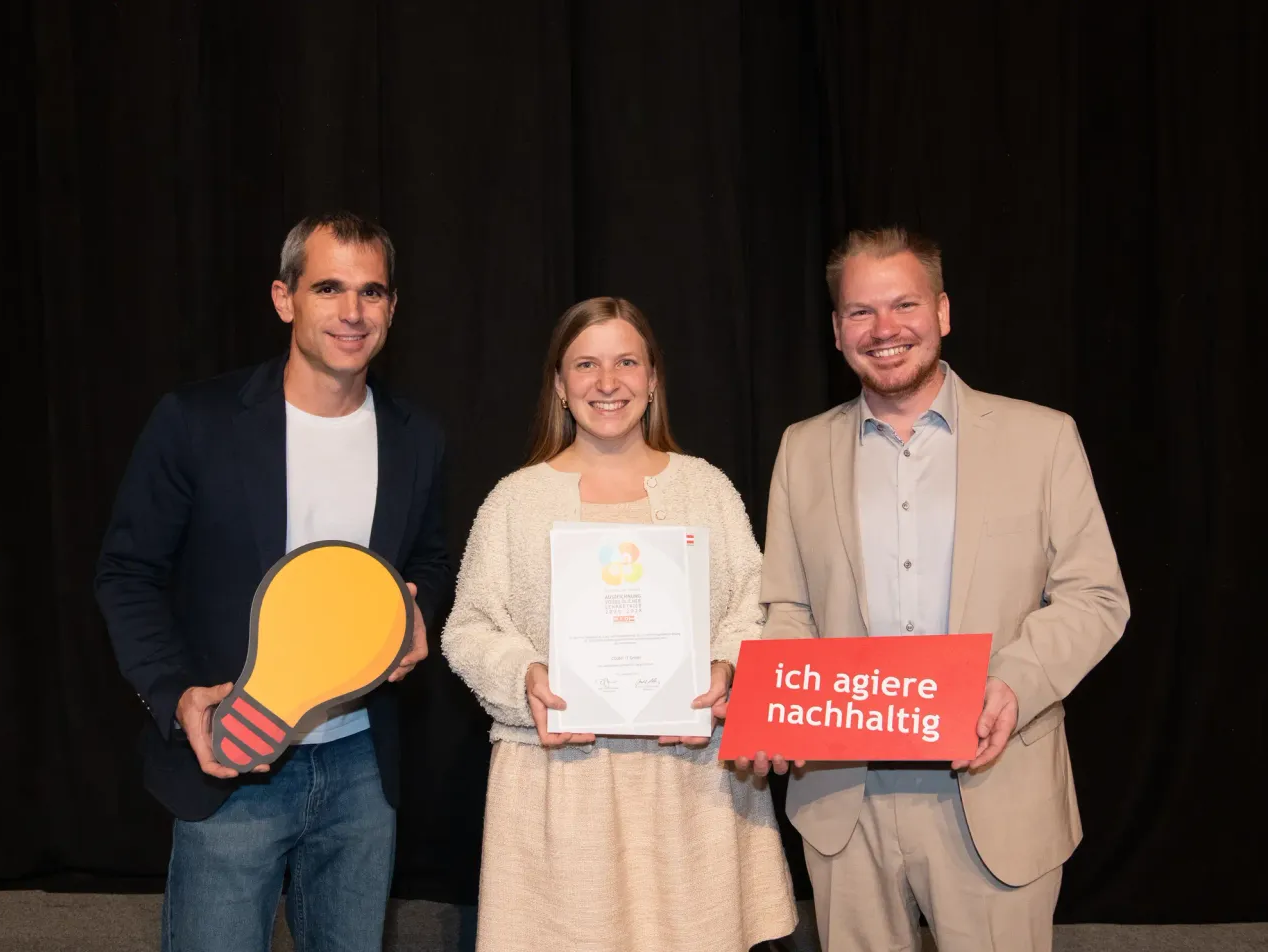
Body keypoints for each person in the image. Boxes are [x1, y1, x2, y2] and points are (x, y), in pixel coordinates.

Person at [740, 227, 1129, 951]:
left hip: (992, 791)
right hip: (843, 800)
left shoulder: (1042, 438)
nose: (885, 330)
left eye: (904, 305)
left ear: (943, 313)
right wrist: (779, 710)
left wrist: (1014, 681)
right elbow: (788, 606)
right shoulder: (801, 448)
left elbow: (1095, 596)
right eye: (860, 312)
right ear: (835, 329)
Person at [94, 211, 451, 952]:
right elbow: (127, 572)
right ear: (284, 298)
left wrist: (418, 611)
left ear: (392, 308)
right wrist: (174, 693)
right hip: (235, 756)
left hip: (362, 764)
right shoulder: (197, 421)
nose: (352, 313)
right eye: (329, 288)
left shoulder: (419, 437)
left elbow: (430, 559)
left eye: (372, 292)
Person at [440, 296, 798, 952]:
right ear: (559, 384)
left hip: (690, 789)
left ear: (654, 377)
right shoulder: (515, 500)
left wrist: (725, 667)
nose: (608, 383)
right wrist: (524, 677)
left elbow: (756, 606)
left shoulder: (706, 490)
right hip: (560, 789)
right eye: (586, 365)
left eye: (627, 361)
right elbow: (469, 626)